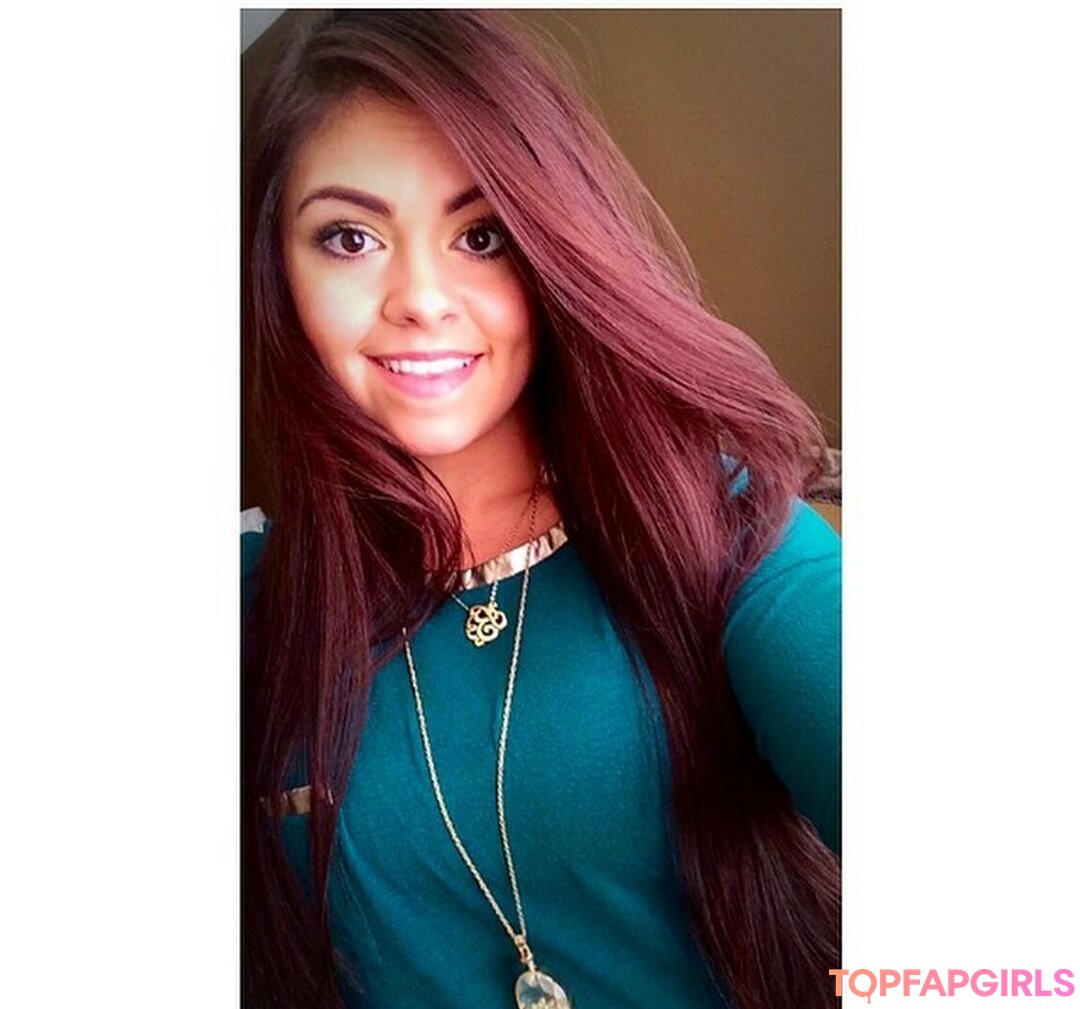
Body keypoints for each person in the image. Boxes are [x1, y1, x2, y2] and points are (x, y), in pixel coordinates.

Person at [242, 10, 840, 1009]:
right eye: (350, 238)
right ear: (281, 274)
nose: (422, 298)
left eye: (480, 236)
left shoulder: (722, 531)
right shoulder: (255, 603)